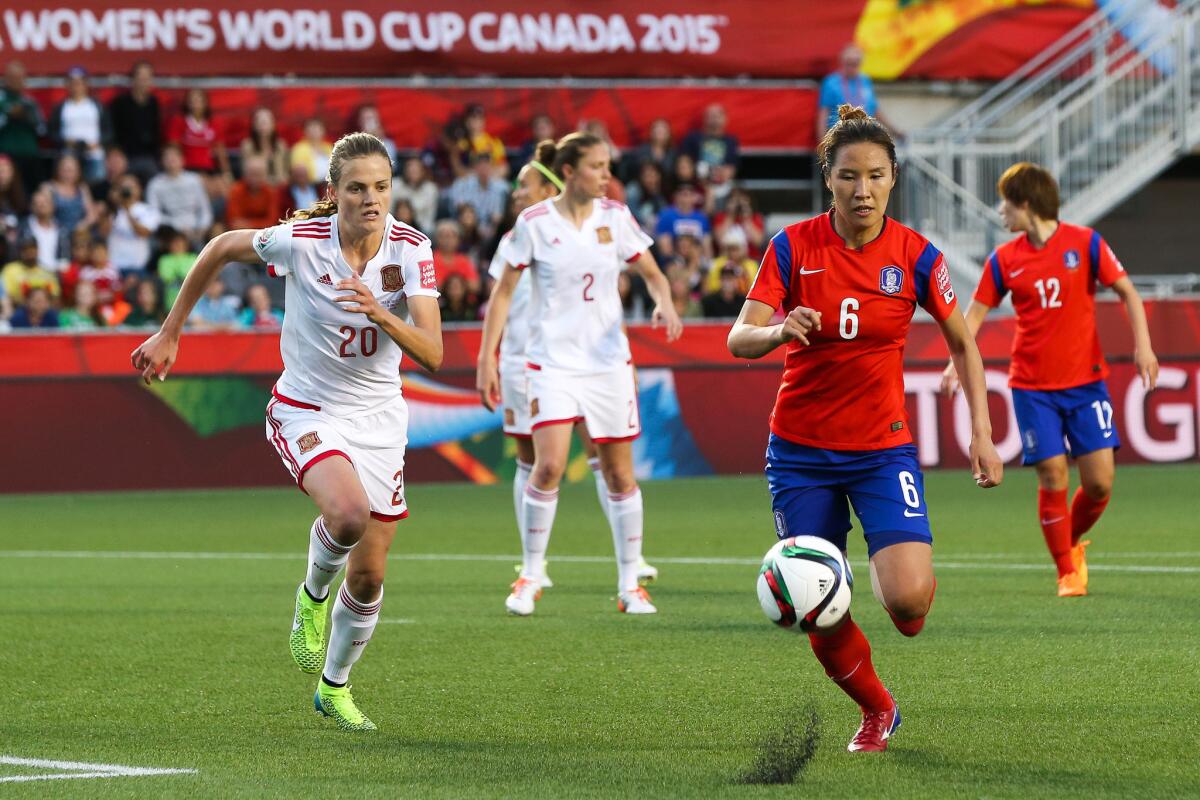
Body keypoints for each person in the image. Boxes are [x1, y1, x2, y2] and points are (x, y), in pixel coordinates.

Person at [131, 131, 442, 733]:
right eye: (357, 188)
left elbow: (432, 350)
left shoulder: (411, 251)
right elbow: (221, 247)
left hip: (380, 418)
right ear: (334, 191)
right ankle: (312, 597)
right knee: (347, 516)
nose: (371, 199)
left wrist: (380, 311)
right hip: (307, 407)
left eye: (381, 187)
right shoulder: (300, 242)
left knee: (372, 574)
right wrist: (171, 332)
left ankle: (335, 686)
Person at [727, 105, 1003, 753]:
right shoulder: (792, 247)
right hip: (799, 454)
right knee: (815, 601)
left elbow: (964, 343)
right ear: (829, 179)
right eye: (849, 176)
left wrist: (983, 433)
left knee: (907, 607)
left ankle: (894, 584)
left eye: (876, 176)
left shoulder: (914, 255)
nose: (862, 189)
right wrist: (776, 330)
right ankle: (877, 710)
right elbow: (740, 336)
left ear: (892, 180)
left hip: (882, 451)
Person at [477, 132, 682, 616]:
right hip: (549, 364)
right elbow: (503, 292)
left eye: (608, 165)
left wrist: (665, 303)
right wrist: (488, 356)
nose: (606, 175)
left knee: (618, 473)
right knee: (546, 466)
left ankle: (631, 585)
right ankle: (530, 574)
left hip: (607, 365)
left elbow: (652, 271)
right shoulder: (533, 224)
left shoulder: (616, 217)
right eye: (596, 166)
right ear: (568, 172)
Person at [941, 162, 1158, 597]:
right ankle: (1066, 570)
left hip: (1086, 383)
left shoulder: (1086, 243)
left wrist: (1145, 346)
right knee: (1053, 473)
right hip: (1032, 386)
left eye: (1005, 201)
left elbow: (1128, 292)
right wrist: (954, 361)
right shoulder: (1004, 260)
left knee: (1099, 483)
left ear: (1025, 203)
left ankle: (1069, 542)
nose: (1000, 210)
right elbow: (975, 315)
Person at [817, 45, 898, 141]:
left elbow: (874, 110)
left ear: (860, 63)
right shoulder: (831, 82)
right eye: (848, 63)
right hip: (841, 135)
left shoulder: (865, 80)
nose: (851, 67)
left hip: (865, 134)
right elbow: (823, 113)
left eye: (855, 63)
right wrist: (822, 141)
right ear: (842, 62)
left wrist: (894, 130)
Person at [48, 66, 110, 182]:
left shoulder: (97, 106)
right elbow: (52, 132)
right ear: (67, 85)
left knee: (96, 186)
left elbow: (108, 131)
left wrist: (98, 143)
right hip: (69, 155)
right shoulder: (61, 107)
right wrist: (65, 141)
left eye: (79, 83)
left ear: (86, 84)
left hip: (94, 155)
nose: (76, 86)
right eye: (72, 83)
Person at [166, 87, 231, 198]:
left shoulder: (214, 123)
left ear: (205, 102)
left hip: (209, 169)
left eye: (199, 99)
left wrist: (227, 174)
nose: (196, 103)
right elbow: (173, 149)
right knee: (204, 186)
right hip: (187, 169)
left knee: (226, 189)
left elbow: (220, 152)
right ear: (187, 103)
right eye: (192, 99)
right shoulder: (179, 121)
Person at [146, 143, 213, 248]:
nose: (171, 159)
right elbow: (153, 214)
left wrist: (202, 227)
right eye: (167, 156)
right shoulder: (155, 184)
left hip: (195, 230)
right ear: (162, 161)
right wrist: (177, 226)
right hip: (169, 232)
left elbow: (204, 209)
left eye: (174, 156)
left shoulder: (194, 180)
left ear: (182, 159)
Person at [108, 61, 162, 182]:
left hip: (149, 158)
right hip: (125, 156)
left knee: (156, 180)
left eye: (147, 77)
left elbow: (156, 133)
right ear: (133, 79)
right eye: (140, 77)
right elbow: (112, 132)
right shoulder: (120, 103)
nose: (143, 81)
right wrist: (117, 153)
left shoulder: (154, 103)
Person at [106, 174, 160, 276]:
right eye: (123, 188)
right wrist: (111, 205)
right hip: (113, 266)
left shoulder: (147, 210)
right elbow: (103, 232)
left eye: (130, 187)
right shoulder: (113, 210)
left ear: (139, 189)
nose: (127, 191)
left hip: (137, 266)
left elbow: (143, 232)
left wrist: (127, 209)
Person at [226, 155, 281, 230]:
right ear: (245, 174)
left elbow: (272, 221)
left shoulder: (271, 192)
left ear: (265, 175)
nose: (255, 179)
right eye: (252, 174)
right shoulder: (236, 191)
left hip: (265, 235)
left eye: (258, 175)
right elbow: (234, 222)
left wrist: (248, 224)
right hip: (240, 235)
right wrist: (260, 223)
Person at [240, 107, 289, 186]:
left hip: (280, 187)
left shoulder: (281, 145)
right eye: (260, 122)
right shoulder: (247, 146)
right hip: (258, 188)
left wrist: (283, 180)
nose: (263, 125)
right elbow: (246, 173)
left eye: (266, 122)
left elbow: (287, 171)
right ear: (254, 125)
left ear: (273, 125)